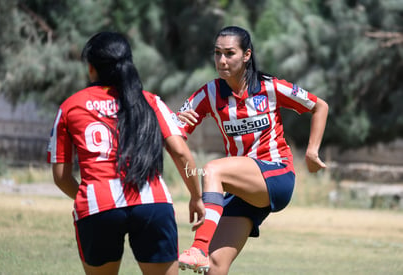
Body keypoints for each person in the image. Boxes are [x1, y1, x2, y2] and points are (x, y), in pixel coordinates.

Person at [47, 31, 205, 275]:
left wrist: (91, 196)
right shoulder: (150, 101)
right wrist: (196, 195)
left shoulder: (70, 106)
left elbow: (60, 176)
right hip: (154, 203)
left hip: (98, 206)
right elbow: (181, 153)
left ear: (91, 69)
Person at [177, 26, 329, 274]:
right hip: (244, 189)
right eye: (217, 53)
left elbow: (319, 106)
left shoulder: (271, 87)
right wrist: (173, 122)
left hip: (277, 175)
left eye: (229, 53)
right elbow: (174, 133)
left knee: (213, 169)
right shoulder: (209, 93)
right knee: (215, 266)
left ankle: (197, 248)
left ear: (246, 55)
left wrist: (312, 152)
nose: (222, 60)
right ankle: (204, 254)